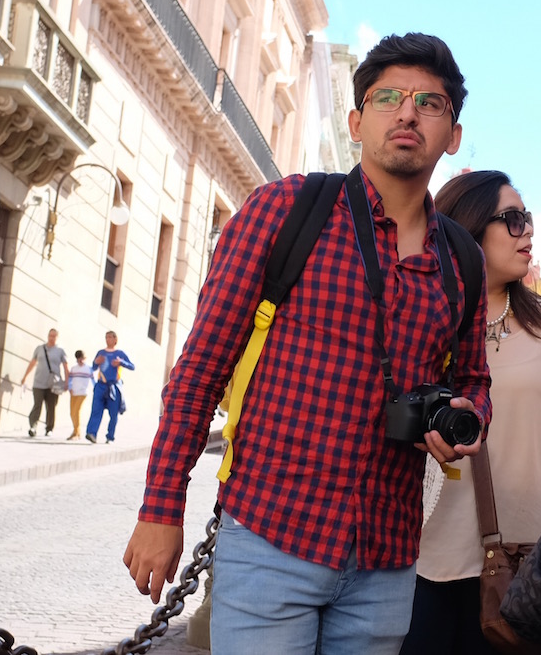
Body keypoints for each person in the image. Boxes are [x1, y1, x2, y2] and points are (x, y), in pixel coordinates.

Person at [123, 33, 491, 654]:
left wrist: (465, 416)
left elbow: (474, 379)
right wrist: (162, 507)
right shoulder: (287, 209)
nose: (407, 113)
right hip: (272, 537)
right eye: (389, 98)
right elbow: (200, 371)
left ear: (452, 134)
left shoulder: (462, 260)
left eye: (429, 104)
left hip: (388, 557)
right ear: (356, 121)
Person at [402, 171, 541, 653]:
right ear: (469, 227)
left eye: (529, 219)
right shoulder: (423, 319)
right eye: (513, 219)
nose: (529, 232)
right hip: (426, 557)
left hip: (528, 564)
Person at [85, 331, 134, 444]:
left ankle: (110, 436)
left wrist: (121, 363)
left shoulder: (120, 354)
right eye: (106, 337)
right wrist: (95, 362)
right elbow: (93, 367)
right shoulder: (101, 353)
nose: (108, 339)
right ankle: (92, 433)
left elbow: (132, 366)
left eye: (110, 337)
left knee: (113, 413)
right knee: (96, 410)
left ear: (115, 340)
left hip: (114, 386)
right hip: (101, 385)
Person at [20, 328, 68, 437]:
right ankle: (33, 426)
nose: (52, 338)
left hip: (53, 384)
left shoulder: (60, 351)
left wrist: (66, 382)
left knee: (51, 407)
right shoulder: (40, 348)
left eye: (54, 336)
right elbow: (33, 362)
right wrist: (25, 376)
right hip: (38, 382)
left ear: (57, 337)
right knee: (37, 405)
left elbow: (66, 367)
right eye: (50, 335)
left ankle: (49, 428)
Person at [67, 350, 94, 440]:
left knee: (76, 411)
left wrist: (96, 389)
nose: (81, 360)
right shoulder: (74, 368)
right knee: (72, 413)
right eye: (79, 359)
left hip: (83, 392)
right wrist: (70, 388)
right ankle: (76, 431)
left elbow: (94, 381)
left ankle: (76, 432)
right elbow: (70, 379)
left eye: (82, 358)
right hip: (74, 392)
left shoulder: (89, 368)